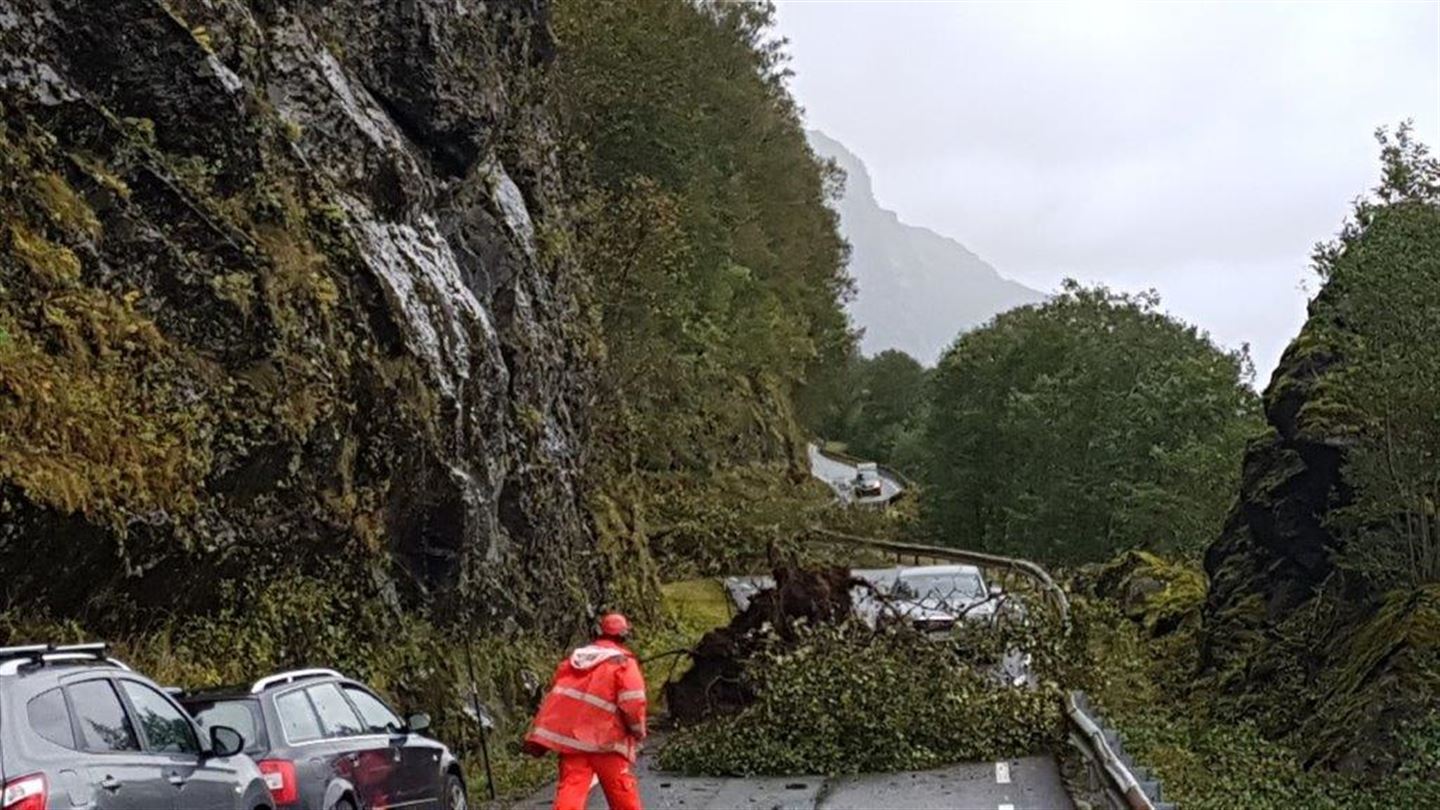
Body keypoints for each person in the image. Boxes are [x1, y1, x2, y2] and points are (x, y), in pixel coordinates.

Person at [525, 612, 648, 810]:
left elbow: (559, 700)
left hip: (575, 742)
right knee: (622, 792)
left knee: (571, 791)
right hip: (608, 741)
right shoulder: (623, 663)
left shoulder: (574, 661)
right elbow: (634, 703)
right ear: (624, 636)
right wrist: (638, 731)